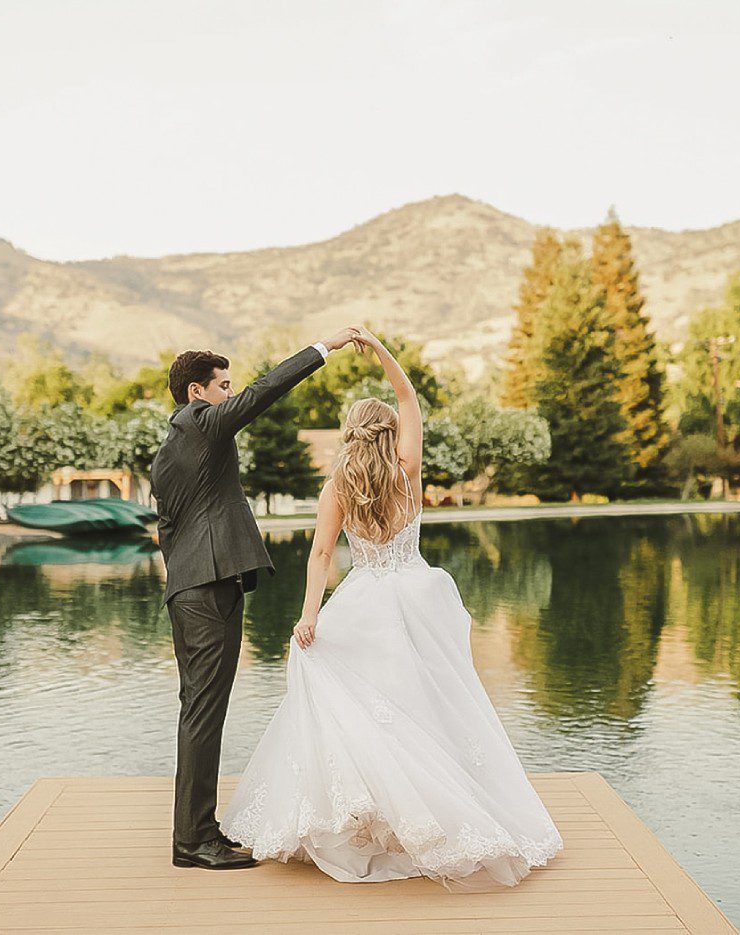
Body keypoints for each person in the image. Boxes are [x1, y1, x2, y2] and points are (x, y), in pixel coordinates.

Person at [220, 326, 564, 889]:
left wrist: (309, 615)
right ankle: (423, 815)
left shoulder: (338, 487)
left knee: (363, 704)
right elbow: (408, 397)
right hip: (419, 595)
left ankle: (376, 816)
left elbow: (323, 554)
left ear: (349, 434)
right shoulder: (406, 471)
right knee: (429, 704)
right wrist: (377, 347)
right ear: (388, 433)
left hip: (368, 599)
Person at [150, 327, 363, 871]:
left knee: (202, 710)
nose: (230, 393)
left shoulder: (173, 449)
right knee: (202, 711)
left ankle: (196, 831)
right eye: (222, 386)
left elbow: (170, 529)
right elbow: (264, 391)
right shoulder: (199, 424)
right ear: (198, 392)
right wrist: (325, 347)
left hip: (195, 585)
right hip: (204, 589)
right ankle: (194, 842)